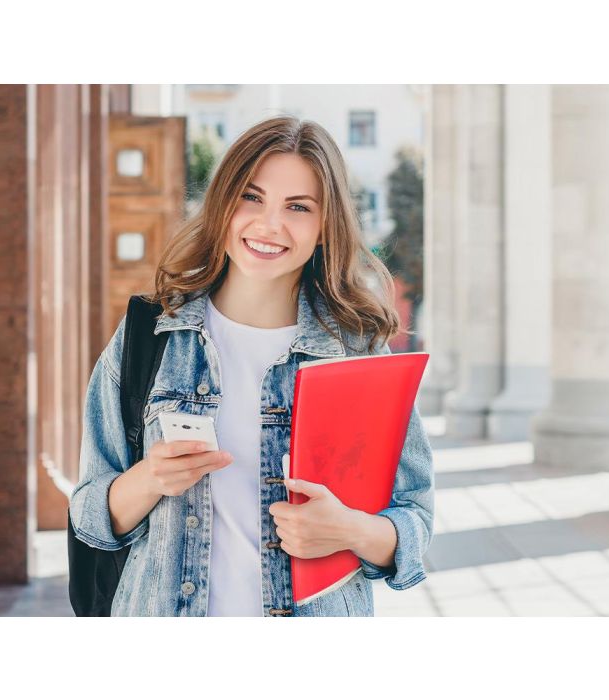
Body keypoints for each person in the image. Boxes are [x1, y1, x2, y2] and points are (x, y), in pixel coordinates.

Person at [68, 115, 435, 617]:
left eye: (299, 207)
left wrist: (350, 530)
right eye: (251, 196)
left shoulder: (358, 352)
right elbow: (88, 512)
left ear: (326, 225)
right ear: (223, 204)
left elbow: (414, 519)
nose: (269, 224)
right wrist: (149, 478)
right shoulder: (149, 336)